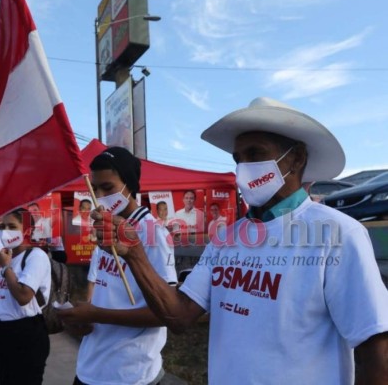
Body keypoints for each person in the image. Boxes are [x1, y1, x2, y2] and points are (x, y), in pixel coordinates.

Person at [94, 97, 388, 384]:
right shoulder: (226, 238)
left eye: (255, 154)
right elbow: (180, 315)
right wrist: (133, 254)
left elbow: (378, 355)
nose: (243, 168)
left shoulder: (337, 234)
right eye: (238, 159)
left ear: (297, 158)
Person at [57, 147, 178, 385]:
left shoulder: (153, 233)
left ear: (129, 185)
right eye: (95, 189)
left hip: (128, 373)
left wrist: (97, 314)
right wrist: (85, 318)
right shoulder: (105, 230)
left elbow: (166, 313)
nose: (100, 196)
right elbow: (104, 292)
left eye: (108, 188)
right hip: (90, 367)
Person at [0, 208, 51, 385]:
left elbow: (23, 296)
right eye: (2, 227)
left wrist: (6, 268)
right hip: (3, 333)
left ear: (27, 230)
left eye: (12, 226)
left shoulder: (35, 256)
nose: (5, 231)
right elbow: (5, 298)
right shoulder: (7, 258)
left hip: (26, 333)